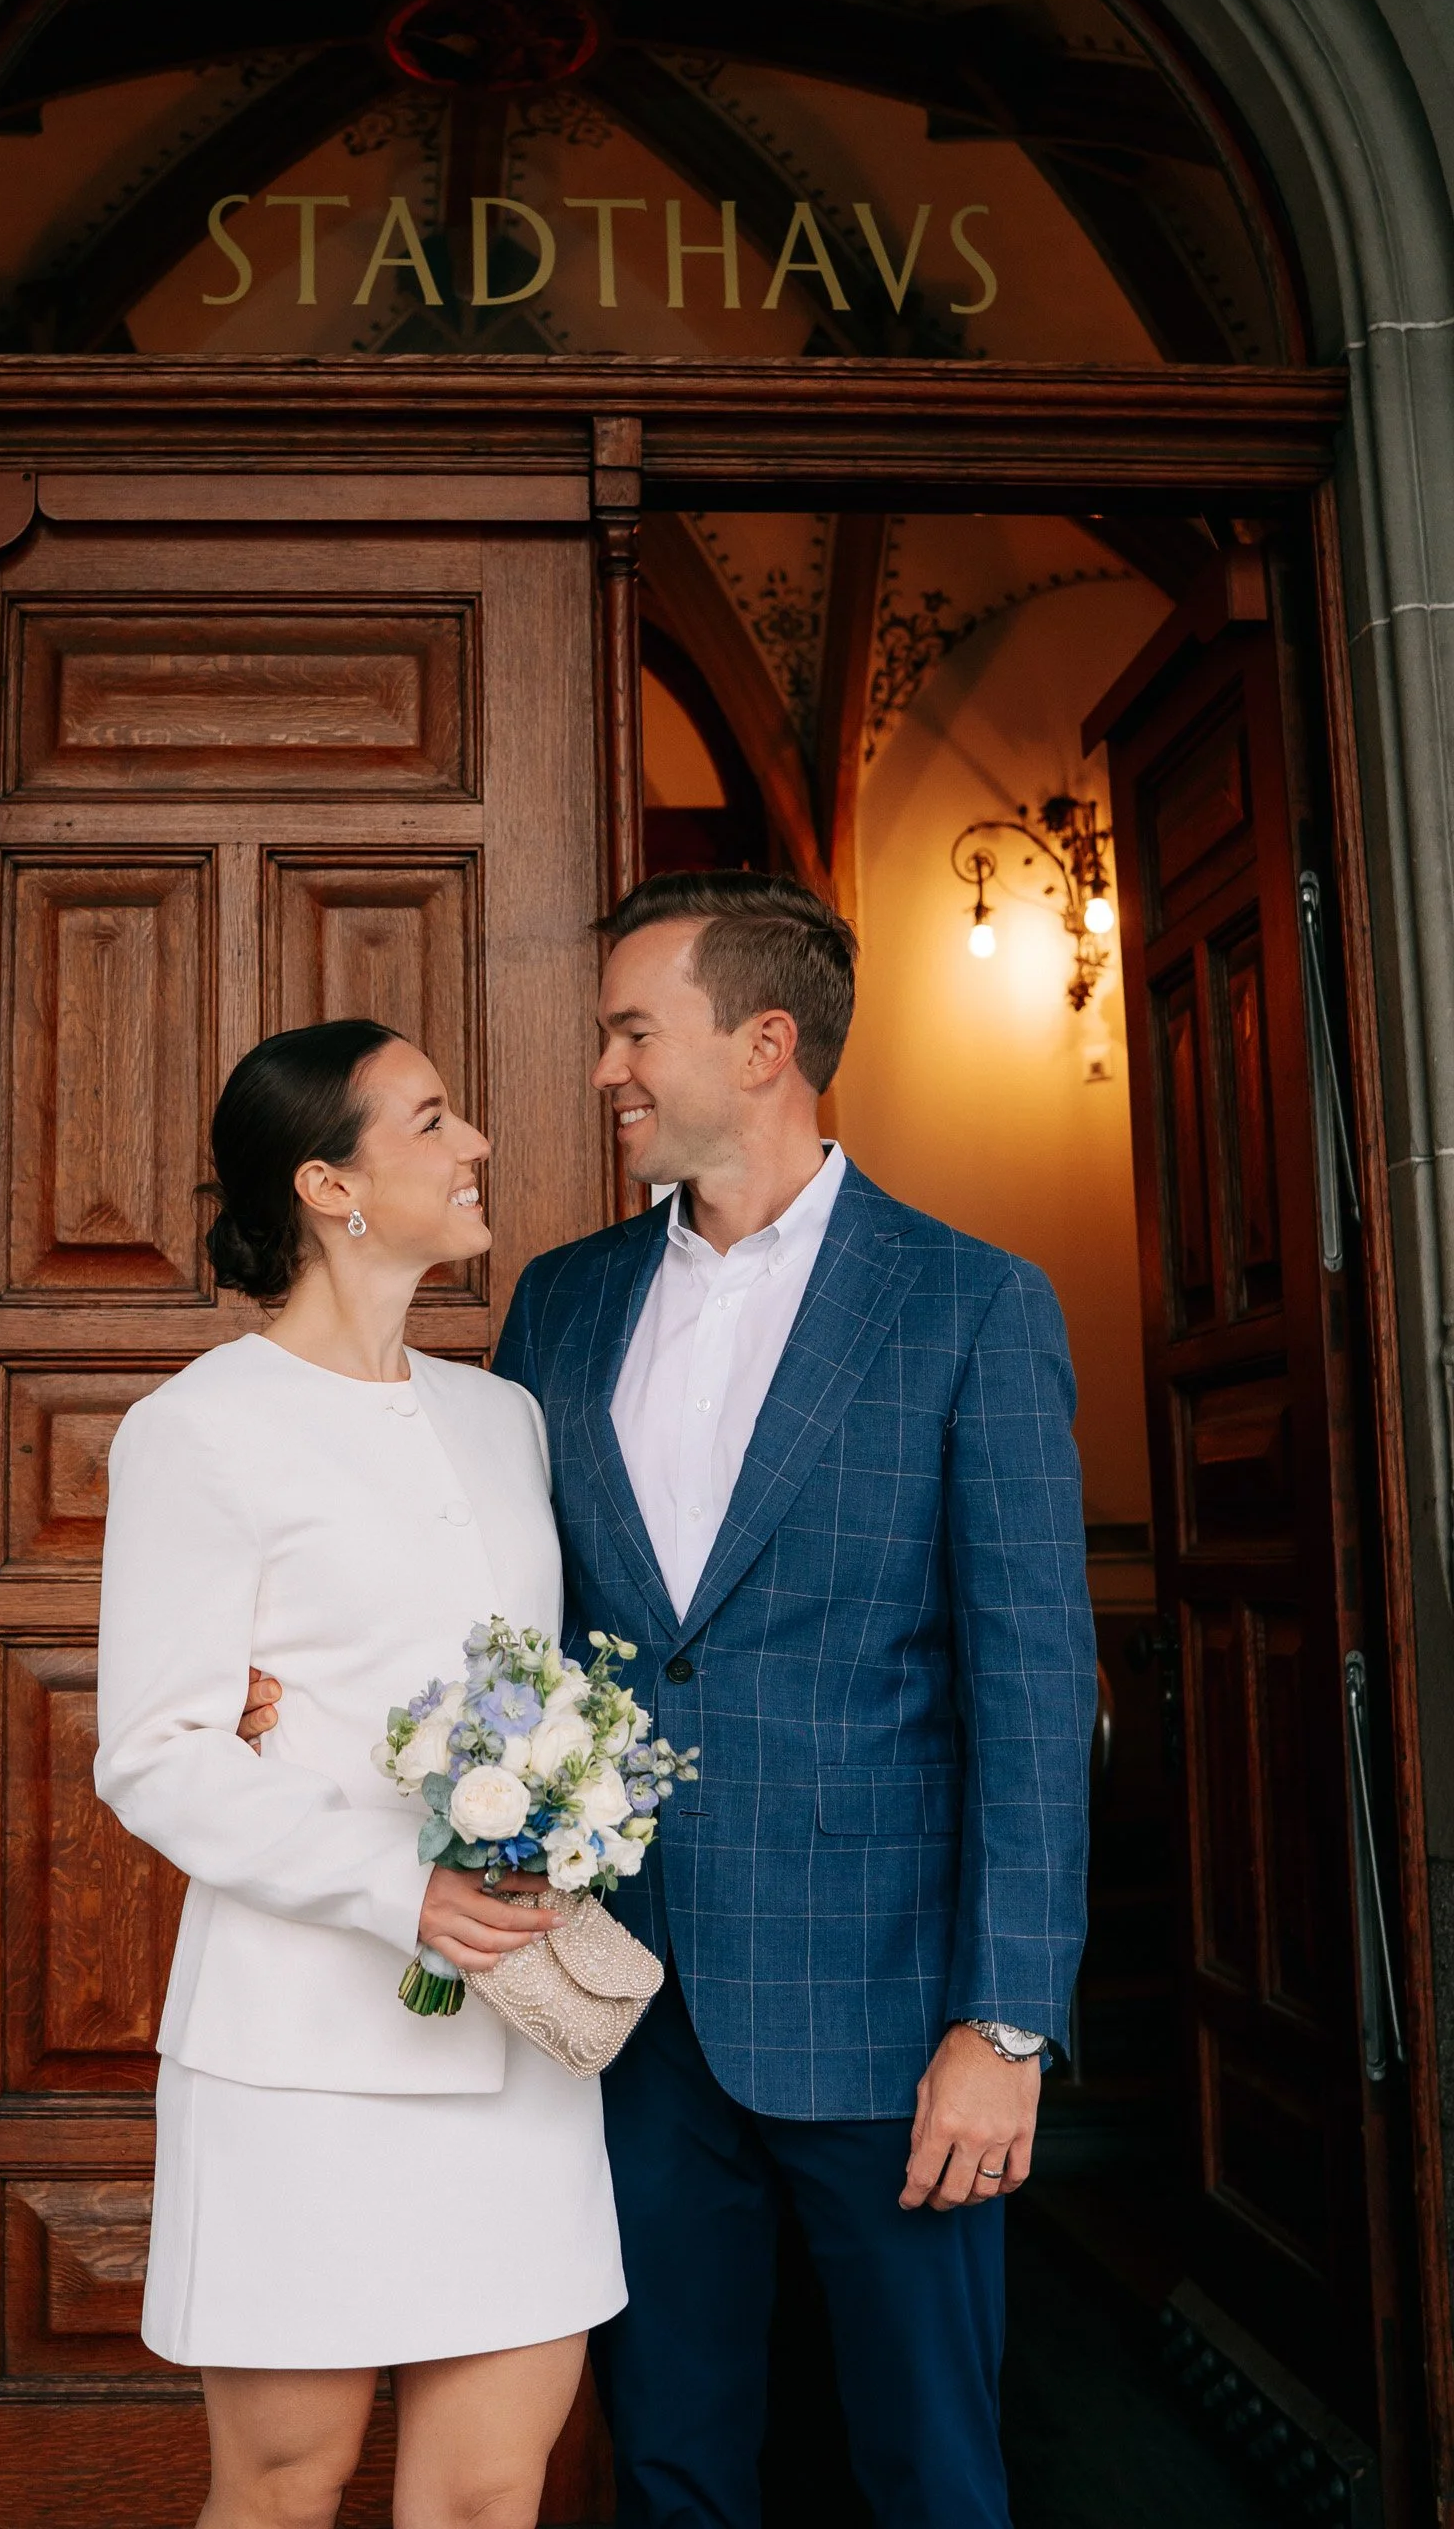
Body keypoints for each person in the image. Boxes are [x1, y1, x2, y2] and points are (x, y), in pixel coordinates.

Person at [239, 873, 1096, 2529]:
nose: (607, 1068)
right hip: (614, 2005)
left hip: (883, 2013)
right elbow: (492, 1589)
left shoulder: (970, 1301)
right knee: (670, 2463)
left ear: (765, 1043)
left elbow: (1035, 1686)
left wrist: (1005, 2024)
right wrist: (306, 1682)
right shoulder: (564, 1298)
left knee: (929, 2467)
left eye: (637, 1030)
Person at [95, 1019, 625, 2529]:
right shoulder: (197, 1430)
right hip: (300, 2054)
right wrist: (401, 1883)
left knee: (486, 2491)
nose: (474, 1147)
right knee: (284, 2482)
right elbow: (154, 1753)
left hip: (518, 2049)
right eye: (435, 1121)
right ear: (330, 1184)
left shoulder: (504, 1418)